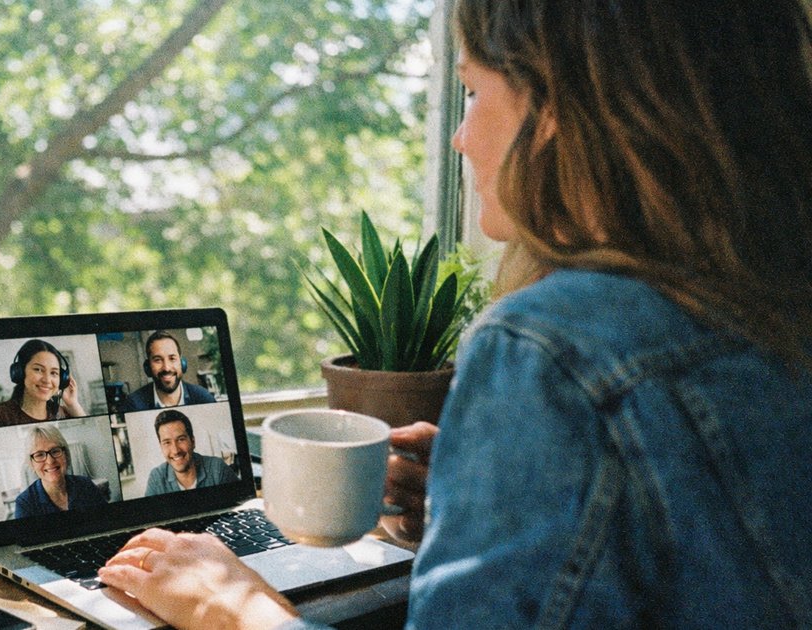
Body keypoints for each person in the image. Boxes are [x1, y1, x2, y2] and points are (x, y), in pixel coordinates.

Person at [99, 0, 812, 627]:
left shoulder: (552, 348)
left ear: (560, 98)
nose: (459, 137)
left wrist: (232, 608)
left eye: (471, 91)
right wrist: (491, 490)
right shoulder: (769, 314)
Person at [0, 339, 86, 428]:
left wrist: (72, 403)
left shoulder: (60, 413)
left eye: (54, 373)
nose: (47, 380)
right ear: (20, 372)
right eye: (38, 369)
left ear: (62, 379)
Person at [14, 425, 106, 519]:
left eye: (55, 451)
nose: (50, 461)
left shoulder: (85, 485)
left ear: (65, 454)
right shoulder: (24, 503)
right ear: (31, 463)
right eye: (40, 455)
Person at [144, 410, 237, 496]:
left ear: (192, 441)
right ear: (161, 446)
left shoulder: (217, 469)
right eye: (167, 442)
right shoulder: (156, 478)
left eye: (181, 439)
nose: (175, 451)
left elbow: (241, 502)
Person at [121, 331, 216, 412]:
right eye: (158, 360)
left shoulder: (204, 398)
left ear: (182, 363)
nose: (166, 368)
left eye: (172, 358)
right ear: (147, 367)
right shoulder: (133, 405)